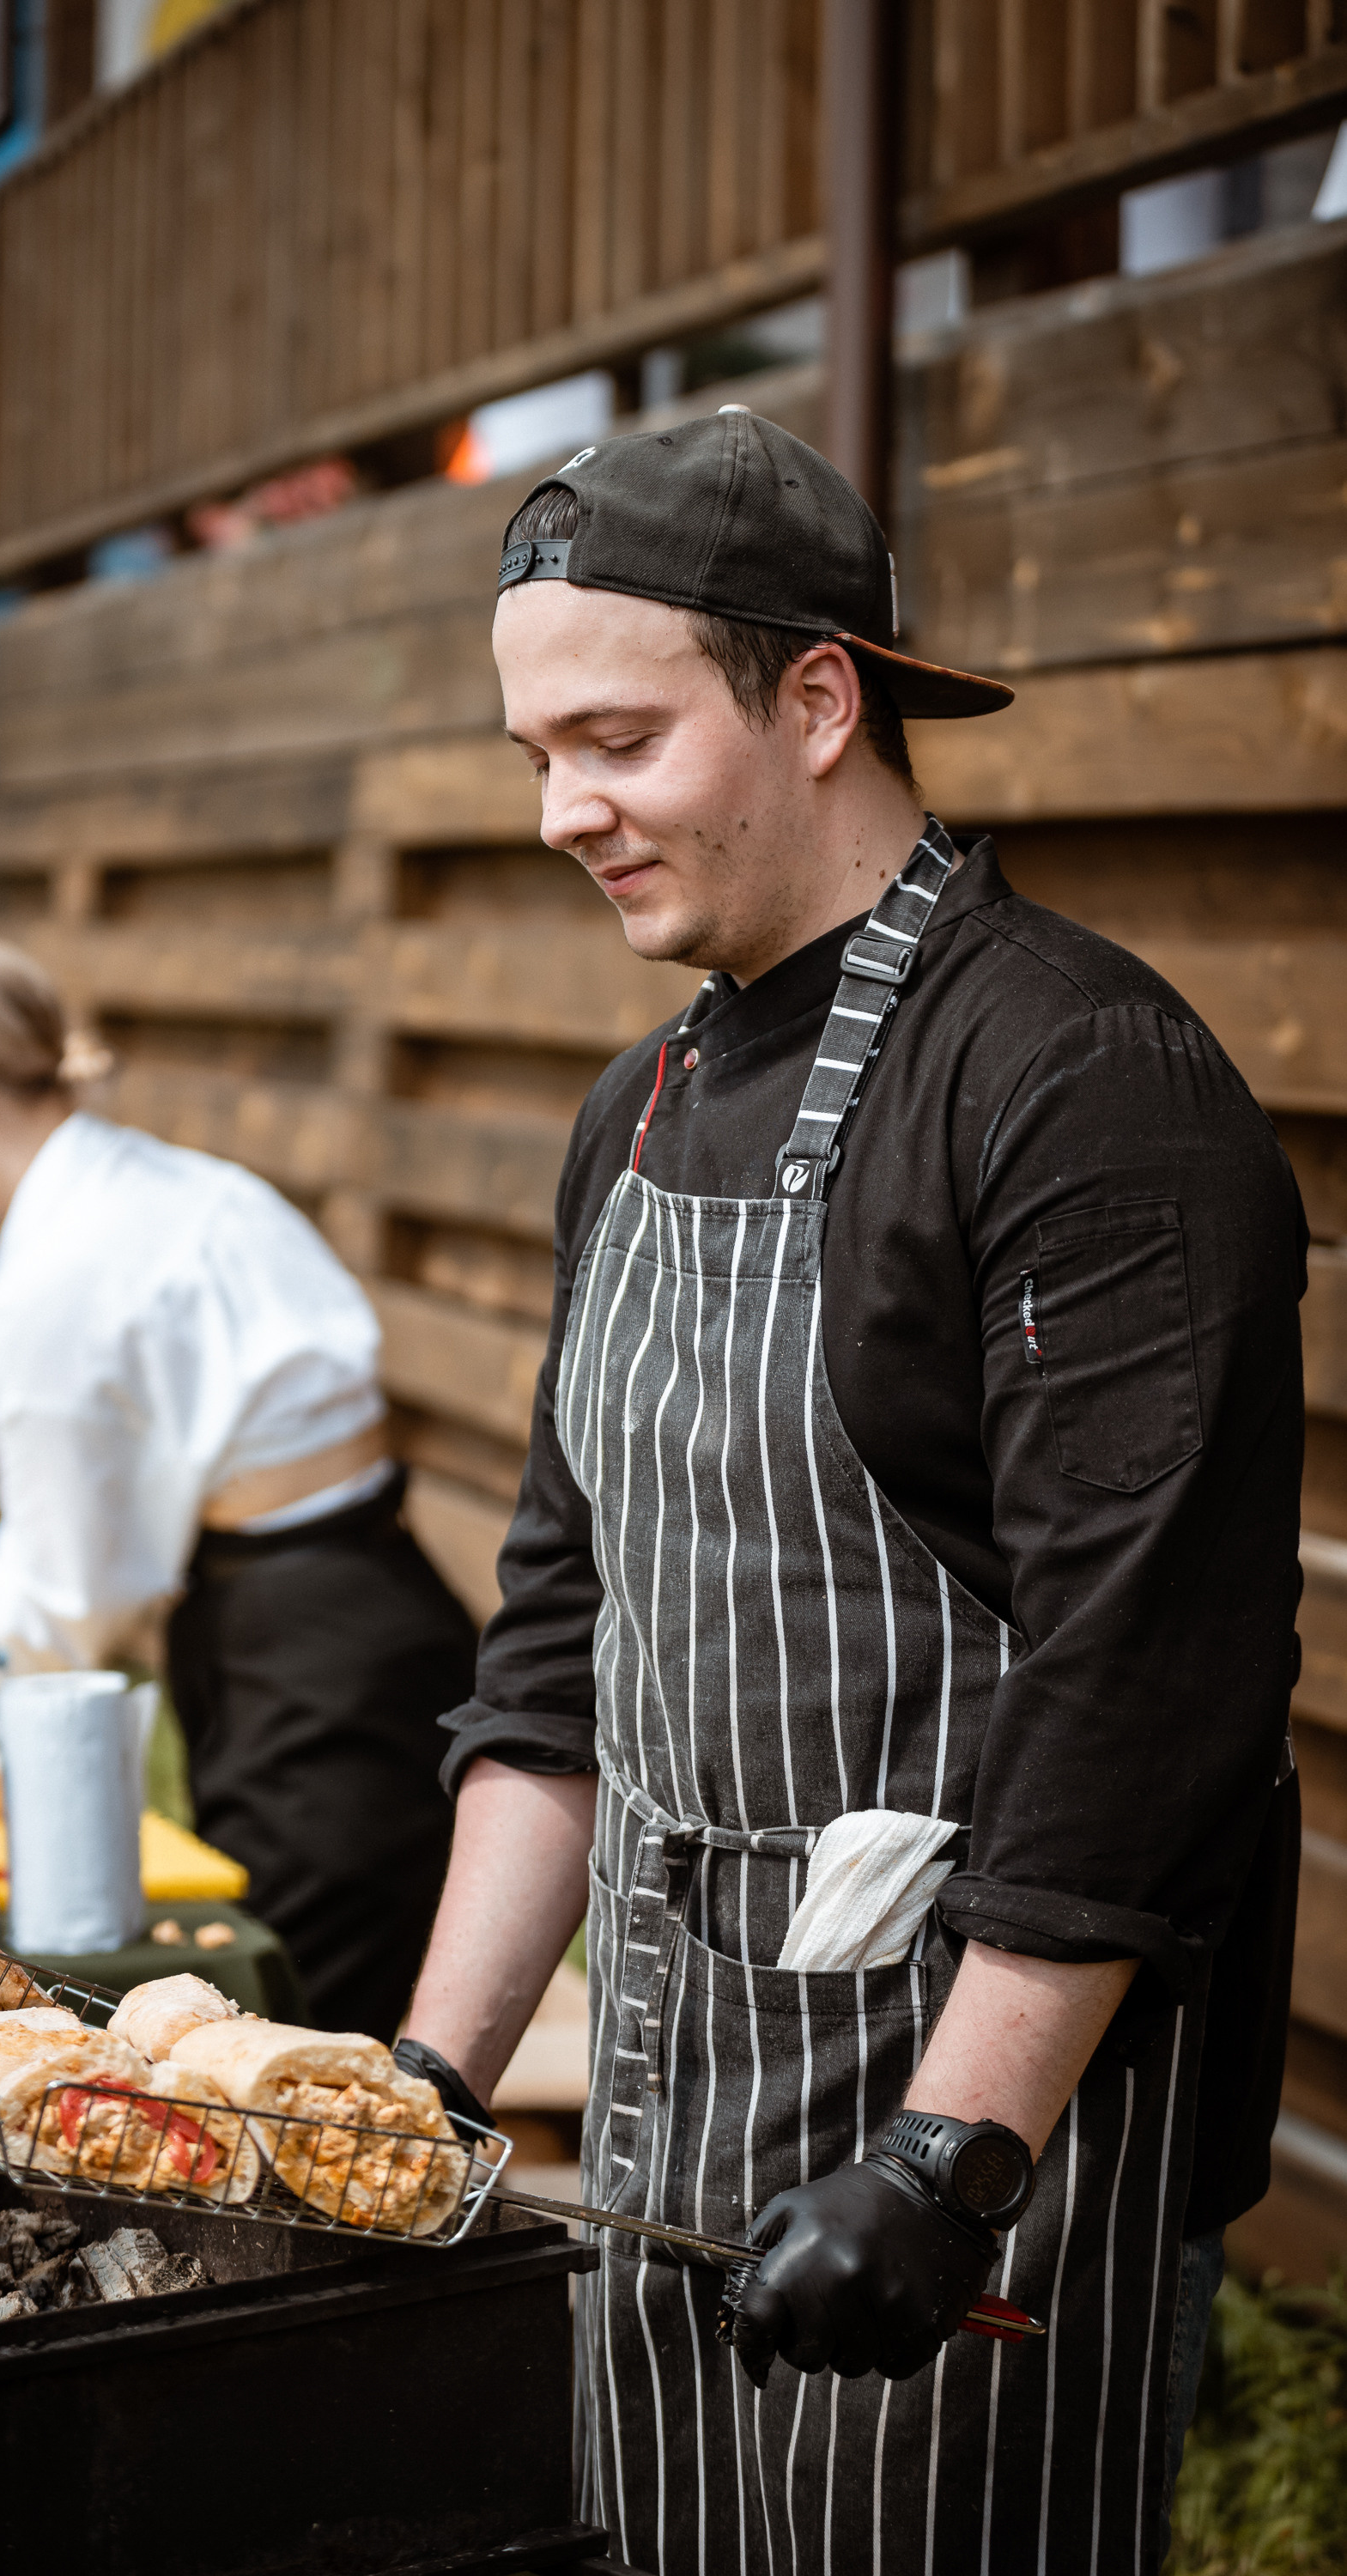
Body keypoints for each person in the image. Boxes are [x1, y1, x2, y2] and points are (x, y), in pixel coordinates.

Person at [391, 412, 1303, 2573]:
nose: (560, 809)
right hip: (670, 2083)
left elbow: (1144, 1686)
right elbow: (560, 1648)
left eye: (618, 739)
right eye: (536, 753)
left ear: (818, 698)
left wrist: (944, 2162)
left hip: (981, 2134)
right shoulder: (635, 1108)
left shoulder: (1078, 1079)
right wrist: (425, 2083)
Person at [0, 933, 475, 2040]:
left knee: (286, 2071)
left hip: (311, 1685)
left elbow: (60, 1621)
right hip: (383, 1618)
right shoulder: (186, 1186)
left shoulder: (53, 1277)